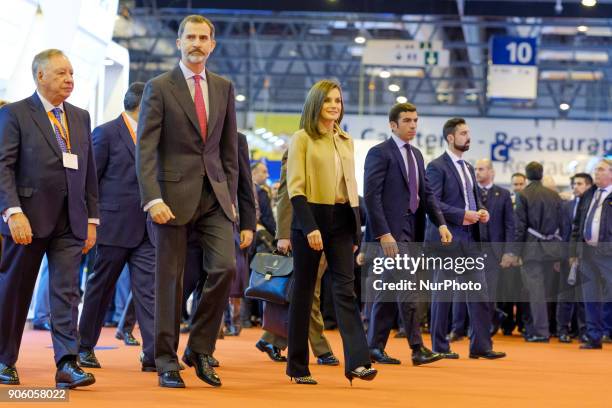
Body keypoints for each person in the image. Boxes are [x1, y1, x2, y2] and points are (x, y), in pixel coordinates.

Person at [136, 14, 238, 388]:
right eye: (190, 37)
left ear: (213, 45)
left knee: (225, 269)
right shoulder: (159, 87)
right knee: (170, 283)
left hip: (214, 197)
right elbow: (145, 149)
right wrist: (152, 199)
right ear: (179, 43)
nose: (197, 43)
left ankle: (198, 348)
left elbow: (229, 153)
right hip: (171, 200)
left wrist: (232, 200)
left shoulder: (224, 87)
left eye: (203, 37)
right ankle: (164, 357)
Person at [0, 49, 98, 388]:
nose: (69, 79)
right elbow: (3, 167)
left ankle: (67, 363)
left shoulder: (80, 117)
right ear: (40, 76)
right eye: (60, 73)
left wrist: (91, 220)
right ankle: (4, 359)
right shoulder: (14, 114)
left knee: (67, 293)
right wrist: (13, 211)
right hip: (26, 220)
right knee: (15, 291)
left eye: (71, 73)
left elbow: (89, 173)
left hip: (70, 222)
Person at [286, 79, 376, 385]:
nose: (334, 105)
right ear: (316, 104)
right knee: (303, 291)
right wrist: (309, 226)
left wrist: (355, 229)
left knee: (345, 290)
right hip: (311, 216)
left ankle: (359, 362)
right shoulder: (302, 138)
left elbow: (350, 187)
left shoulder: (346, 140)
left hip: (342, 220)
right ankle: (298, 367)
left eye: (338, 100)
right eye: (328, 101)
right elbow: (295, 189)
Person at [363, 102, 450, 366]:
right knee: (408, 288)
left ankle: (374, 348)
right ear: (393, 124)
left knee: (389, 291)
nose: (413, 125)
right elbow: (371, 196)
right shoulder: (379, 153)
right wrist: (383, 233)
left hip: (412, 232)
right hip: (391, 236)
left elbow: (427, 194)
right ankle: (417, 348)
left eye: (415, 120)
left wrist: (442, 223)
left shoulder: (417, 155)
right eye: (407, 120)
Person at [78, 82, 156, 371]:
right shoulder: (106, 132)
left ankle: (153, 353)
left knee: (148, 292)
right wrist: (90, 222)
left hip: (147, 229)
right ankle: (84, 347)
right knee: (100, 288)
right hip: (111, 227)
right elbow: (91, 182)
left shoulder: (154, 137)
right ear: (143, 105)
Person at [425, 117, 505, 360]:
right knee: (444, 295)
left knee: (480, 293)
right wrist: (463, 215)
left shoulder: (469, 168)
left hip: (471, 238)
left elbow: (473, 199)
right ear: (450, 137)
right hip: (448, 237)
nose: (468, 137)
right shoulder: (436, 167)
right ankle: (439, 346)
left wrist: (481, 210)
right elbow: (433, 202)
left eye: (468, 133)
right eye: (463, 133)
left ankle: (481, 345)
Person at [256, 148, 340, 366]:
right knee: (310, 293)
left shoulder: (337, 147)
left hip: (326, 232)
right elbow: (286, 193)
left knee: (302, 292)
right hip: (300, 233)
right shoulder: (297, 147)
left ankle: (272, 339)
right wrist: (283, 235)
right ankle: (322, 349)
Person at [515, 162, 562, 342]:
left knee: (536, 292)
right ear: (541, 175)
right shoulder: (554, 195)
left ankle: (541, 332)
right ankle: (546, 328)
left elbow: (520, 226)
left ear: (526, 177)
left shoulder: (523, 195)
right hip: (552, 247)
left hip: (531, 249)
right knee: (548, 291)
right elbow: (563, 223)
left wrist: (514, 252)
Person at [571, 159, 612, 349]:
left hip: (608, 253)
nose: (596, 173)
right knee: (590, 296)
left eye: (601, 170)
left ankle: (607, 331)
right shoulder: (589, 194)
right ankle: (593, 336)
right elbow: (577, 224)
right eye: (596, 170)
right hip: (587, 252)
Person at [556, 173, 590, 343]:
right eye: (574, 184)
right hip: (565, 256)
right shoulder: (566, 206)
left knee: (584, 297)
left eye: (580, 183)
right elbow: (561, 232)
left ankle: (584, 331)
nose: (576, 187)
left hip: (586, 257)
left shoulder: (592, 205)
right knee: (565, 295)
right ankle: (562, 330)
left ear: (588, 186)